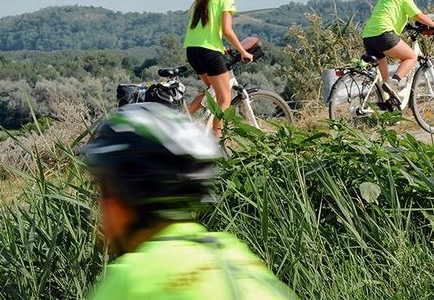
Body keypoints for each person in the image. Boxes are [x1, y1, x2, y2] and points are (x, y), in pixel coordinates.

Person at [79, 103, 296, 300]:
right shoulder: (238, 259)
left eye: (102, 189)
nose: (99, 206)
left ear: (122, 196)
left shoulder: (134, 279)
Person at [183, 0, 253, 138]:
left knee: (211, 91)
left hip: (193, 50)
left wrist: (222, 47)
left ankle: (183, 119)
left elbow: (205, 29)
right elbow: (227, 30)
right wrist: (243, 52)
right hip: (208, 52)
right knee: (224, 98)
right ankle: (217, 143)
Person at [360, 0, 434, 109]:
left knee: (384, 80)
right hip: (383, 34)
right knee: (411, 57)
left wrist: (406, 26)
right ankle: (395, 81)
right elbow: (418, 15)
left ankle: (388, 105)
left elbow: (388, 16)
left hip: (368, 36)